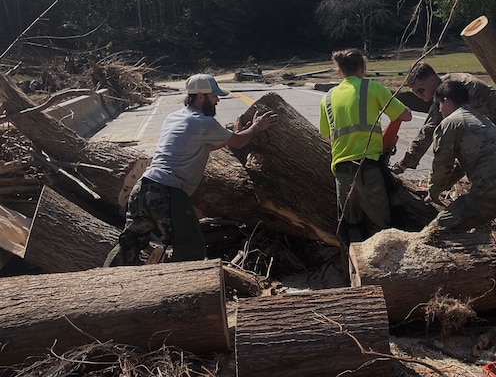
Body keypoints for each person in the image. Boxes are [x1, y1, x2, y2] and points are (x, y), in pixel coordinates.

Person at [104, 74, 277, 266]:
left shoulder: (174, 117)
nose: (217, 100)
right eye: (214, 96)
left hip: (143, 188)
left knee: (129, 243)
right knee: (190, 248)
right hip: (168, 192)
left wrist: (235, 133)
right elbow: (238, 142)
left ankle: (107, 280)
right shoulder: (203, 122)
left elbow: (205, 145)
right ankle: (181, 290)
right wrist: (256, 127)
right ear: (201, 96)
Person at [319, 48, 412, 245]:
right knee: (387, 227)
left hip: (342, 173)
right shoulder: (372, 88)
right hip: (368, 170)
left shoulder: (327, 98)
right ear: (363, 68)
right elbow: (405, 116)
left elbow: (327, 135)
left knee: (351, 230)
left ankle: (351, 270)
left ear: (339, 72)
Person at [424, 80, 496, 234]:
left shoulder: (450, 122)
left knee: (438, 228)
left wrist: (433, 192)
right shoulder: (482, 119)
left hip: (492, 193)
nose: (439, 110)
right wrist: (446, 185)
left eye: (439, 105)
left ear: (446, 101)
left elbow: (442, 164)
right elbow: (463, 164)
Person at [392, 62, 496, 174]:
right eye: (415, 93)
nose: (419, 96)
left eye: (420, 90)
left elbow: (428, 132)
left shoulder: (450, 93)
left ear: (431, 80)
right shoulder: (449, 82)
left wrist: (403, 164)